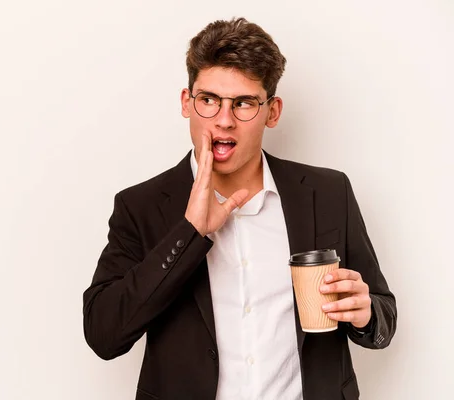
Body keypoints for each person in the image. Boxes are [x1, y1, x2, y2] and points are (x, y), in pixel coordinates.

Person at [82, 17, 396, 400]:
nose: (224, 121)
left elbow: (382, 314)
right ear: (187, 102)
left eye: (244, 103)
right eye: (209, 100)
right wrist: (189, 232)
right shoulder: (141, 206)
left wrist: (365, 315)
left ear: (272, 111)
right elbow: (103, 335)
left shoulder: (329, 192)